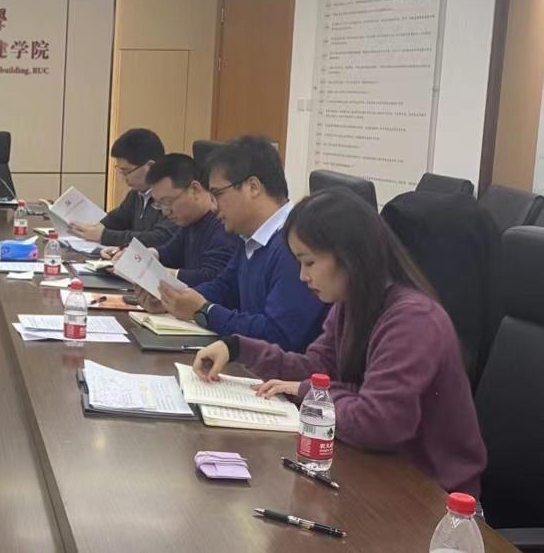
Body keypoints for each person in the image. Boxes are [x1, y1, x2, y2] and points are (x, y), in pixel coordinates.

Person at [192, 189, 486, 496]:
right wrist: (236, 347)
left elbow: (376, 423)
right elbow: (316, 367)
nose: (303, 276)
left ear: (348, 256)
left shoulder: (413, 320)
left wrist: (309, 391)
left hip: (434, 495)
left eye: (309, 262)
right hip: (378, 470)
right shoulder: (352, 303)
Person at [140, 135, 327, 351]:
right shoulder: (250, 237)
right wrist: (174, 300)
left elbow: (277, 335)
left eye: (217, 194)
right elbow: (225, 288)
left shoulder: (294, 246)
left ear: (253, 187)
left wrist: (204, 310)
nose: (213, 207)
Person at [102, 153, 237, 285]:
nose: (166, 212)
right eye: (159, 204)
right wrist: (139, 256)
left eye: (168, 202)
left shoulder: (224, 223)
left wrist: (154, 272)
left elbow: (213, 277)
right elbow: (170, 252)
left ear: (194, 189)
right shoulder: (191, 220)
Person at [69, 128, 176, 248]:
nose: (124, 178)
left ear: (150, 166)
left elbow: (159, 238)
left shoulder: (171, 198)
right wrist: (93, 228)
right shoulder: (136, 194)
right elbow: (117, 219)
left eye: (127, 172)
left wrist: (104, 236)